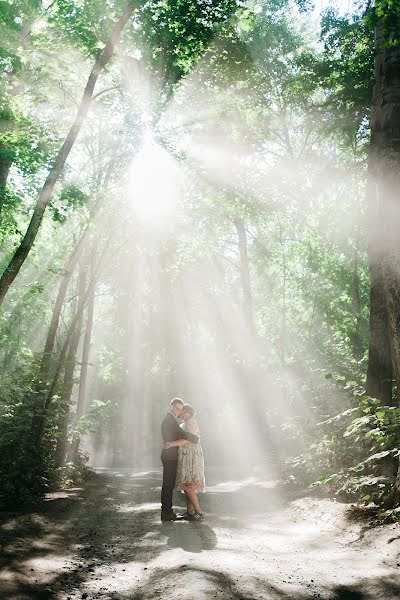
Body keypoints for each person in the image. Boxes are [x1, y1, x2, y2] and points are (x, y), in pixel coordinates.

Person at [160, 398, 199, 521]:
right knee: (168, 485)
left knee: (168, 484)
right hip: (169, 456)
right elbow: (181, 433)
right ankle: (167, 513)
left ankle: (167, 512)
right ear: (170, 405)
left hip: (170, 455)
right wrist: (195, 438)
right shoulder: (169, 419)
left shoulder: (171, 419)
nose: (177, 411)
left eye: (180, 409)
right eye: (175, 407)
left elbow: (179, 433)